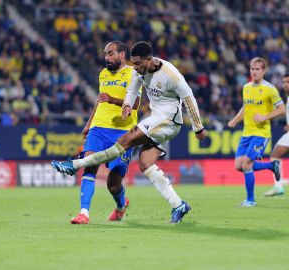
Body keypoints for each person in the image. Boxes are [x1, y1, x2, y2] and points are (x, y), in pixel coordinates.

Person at [52, 41, 207, 223]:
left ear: (149, 60)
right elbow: (132, 90)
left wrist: (198, 127)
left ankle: (75, 165)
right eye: (134, 64)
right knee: (145, 163)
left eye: (139, 64)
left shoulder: (170, 74)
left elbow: (189, 98)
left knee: (126, 140)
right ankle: (178, 204)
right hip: (157, 120)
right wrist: (126, 106)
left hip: (168, 120)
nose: (136, 68)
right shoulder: (138, 70)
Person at [69, 41, 141, 224]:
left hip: (123, 131)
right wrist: (89, 122)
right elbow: (100, 101)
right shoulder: (103, 74)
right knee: (90, 165)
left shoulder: (134, 73)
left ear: (122, 55)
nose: (107, 57)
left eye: (110, 54)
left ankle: (120, 205)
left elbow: (136, 104)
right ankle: (83, 213)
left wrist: (112, 99)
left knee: (113, 183)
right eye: (105, 54)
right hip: (99, 127)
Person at [228, 57, 285, 207]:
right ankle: (271, 166)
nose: (254, 72)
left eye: (257, 69)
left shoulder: (270, 89)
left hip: (261, 133)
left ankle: (250, 200)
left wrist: (265, 117)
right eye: (252, 69)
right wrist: (235, 120)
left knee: (247, 164)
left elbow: (282, 109)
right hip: (247, 133)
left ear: (263, 71)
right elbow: (246, 107)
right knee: (239, 166)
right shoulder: (246, 87)